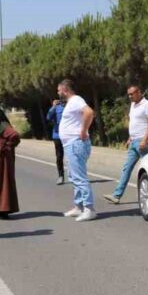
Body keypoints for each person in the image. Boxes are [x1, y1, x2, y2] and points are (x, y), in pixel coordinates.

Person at [104, 85, 148, 205]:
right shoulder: (133, 105)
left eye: (132, 94)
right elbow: (134, 122)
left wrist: (145, 139)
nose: (130, 96)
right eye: (128, 94)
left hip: (142, 143)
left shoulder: (146, 104)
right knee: (126, 169)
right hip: (134, 142)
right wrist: (130, 138)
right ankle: (116, 195)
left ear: (139, 92)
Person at [57, 79, 96, 221]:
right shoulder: (71, 103)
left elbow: (89, 112)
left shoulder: (76, 100)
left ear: (65, 90)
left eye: (59, 90)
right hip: (71, 145)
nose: (58, 93)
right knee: (73, 177)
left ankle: (89, 208)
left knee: (79, 177)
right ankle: (79, 206)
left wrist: (84, 130)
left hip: (75, 144)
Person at [45, 99, 66, 184]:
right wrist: (53, 107)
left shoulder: (71, 107)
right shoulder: (56, 108)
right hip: (57, 136)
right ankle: (61, 176)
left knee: (72, 156)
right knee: (59, 157)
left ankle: (74, 175)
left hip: (69, 135)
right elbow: (48, 117)